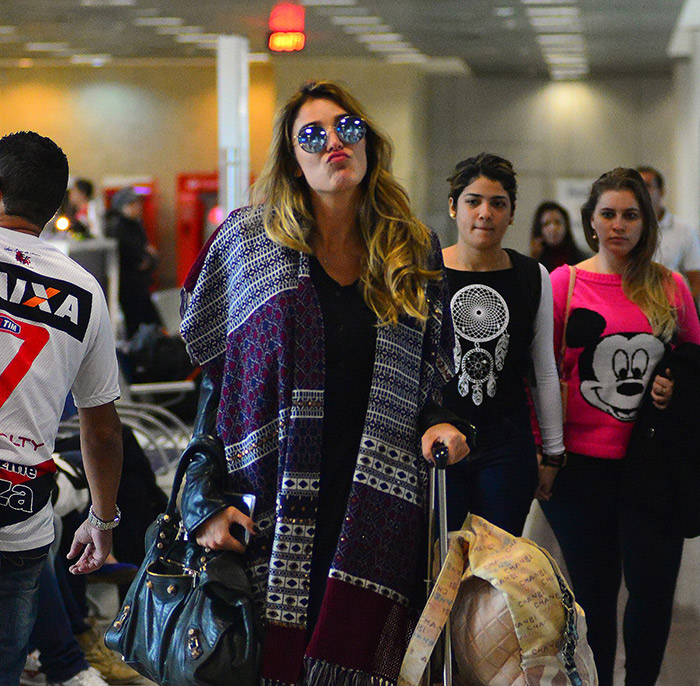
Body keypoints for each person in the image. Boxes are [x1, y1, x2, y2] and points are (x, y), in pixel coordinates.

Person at [179, 80, 471, 686]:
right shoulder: (249, 241)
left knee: (361, 656)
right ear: (292, 160)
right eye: (312, 135)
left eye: (348, 128)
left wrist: (443, 421)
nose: (334, 142)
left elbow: (434, 372)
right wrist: (203, 497)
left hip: (377, 494)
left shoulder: (412, 247)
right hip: (271, 488)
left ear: (369, 144)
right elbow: (219, 380)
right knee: (265, 656)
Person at [539, 168, 700, 686]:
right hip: (580, 471)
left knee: (652, 598)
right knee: (593, 599)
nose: (618, 225)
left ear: (647, 222)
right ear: (589, 222)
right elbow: (539, 374)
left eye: (631, 214)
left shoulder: (670, 286)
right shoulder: (565, 283)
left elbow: (695, 362)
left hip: (652, 467)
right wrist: (544, 454)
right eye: (607, 214)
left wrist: (675, 385)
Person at [0, 131, 123, 685]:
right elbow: (101, 432)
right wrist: (101, 520)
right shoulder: (84, 291)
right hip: (19, 510)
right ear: (54, 209)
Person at [440, 153, 565, 536]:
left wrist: (553, 453)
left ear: (512, 213)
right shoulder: (425, 271)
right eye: (473, 201)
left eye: (498, 204)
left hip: (507, 446)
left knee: (498, 570)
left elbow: (543, 367)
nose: (485, 213)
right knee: (441, 567)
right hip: (441, 440)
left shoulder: (531, 275)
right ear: (453, 207)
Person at [636, 165, 700, 302]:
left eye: (647, 186)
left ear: (662, 192)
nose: (641, 192)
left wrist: (680, 309)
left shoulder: (684, 230)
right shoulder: (627, 229)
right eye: (636, 187)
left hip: (674, 310)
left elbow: (696, 283)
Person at [105, 186, 161, 339]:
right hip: (129, 284)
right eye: (132, 204)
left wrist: (149, 259)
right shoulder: (119, 227)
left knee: (150, 322)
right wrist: (147, 258)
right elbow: (138, 257)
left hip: (139, 283)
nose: (138, 208)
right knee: (137, 324)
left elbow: (149, 256)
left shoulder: (135, 224)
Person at [529, 200, 586, 272]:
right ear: (539, 229)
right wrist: (534, 258)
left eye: (558, 222)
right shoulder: (532, 261)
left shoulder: (582, 261)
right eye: (547, 223)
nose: (553, 228)